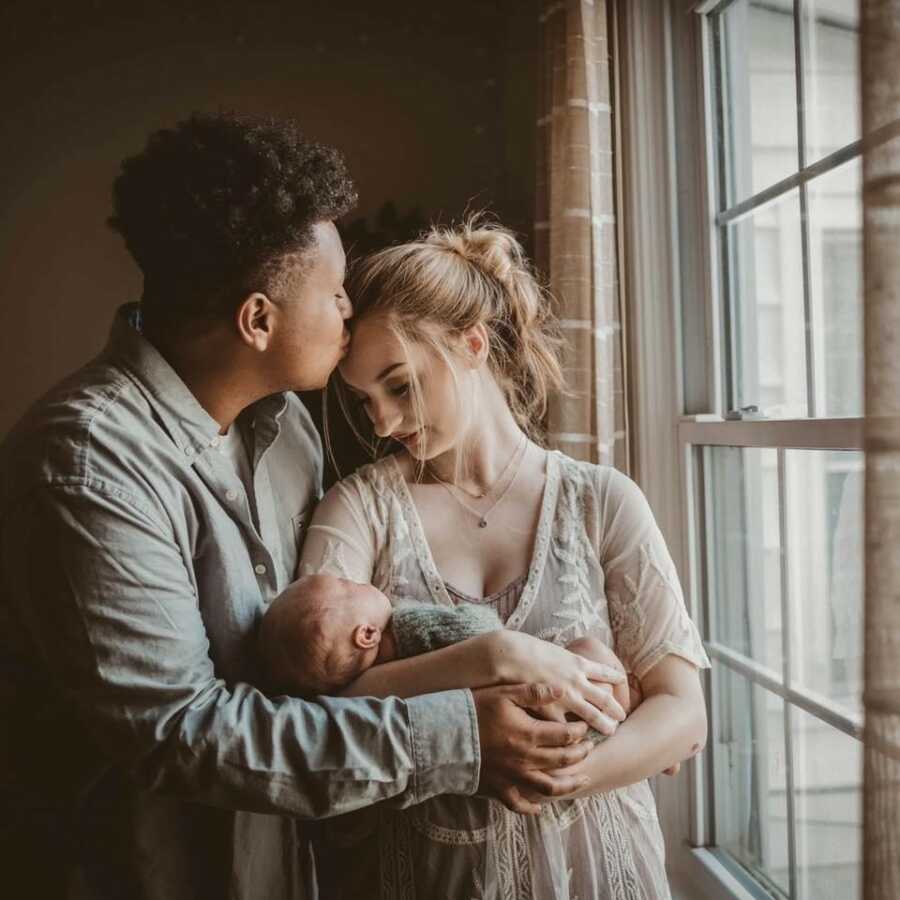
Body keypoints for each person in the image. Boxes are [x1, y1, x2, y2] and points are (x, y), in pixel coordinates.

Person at [0, 115, 620, 900]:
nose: (348, 317)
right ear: (258, 320)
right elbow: (182, 733)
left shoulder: (288, 429)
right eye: (334, 296)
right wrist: (463, 732)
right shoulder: (87, 467)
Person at [298, 219, 712, 898]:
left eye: (399, 387)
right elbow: (317, 709)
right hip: (424, 875)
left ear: (471, 344)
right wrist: (488, 664)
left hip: (599, 869)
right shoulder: (358, 510)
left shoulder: (601, 501)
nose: (383, 424)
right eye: (365, 400)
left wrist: (557, 773)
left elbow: (683, 713)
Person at [256, 573, 638, 722]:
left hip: (509, 715)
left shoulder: (369, 687)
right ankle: (629, 705)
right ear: (366, 635)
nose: (356, 581)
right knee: (591, 651)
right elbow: (481, 630)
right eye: (349, 586)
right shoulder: (406, 626)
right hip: (537, 697)